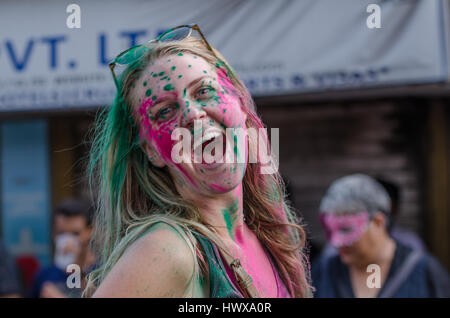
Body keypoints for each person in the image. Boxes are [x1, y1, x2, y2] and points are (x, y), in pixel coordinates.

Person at [85, 24, 312, 298]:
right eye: (165, 111)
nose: (192, 114)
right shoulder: (167, 250)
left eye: (204, 91)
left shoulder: (269, 237)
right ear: (152, 151)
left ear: (238, 102)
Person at [311, 174, 450, 298]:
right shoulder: (324, 272)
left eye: (346, 230)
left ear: (378, 222)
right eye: (330, 230)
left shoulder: (426, 273)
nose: (336, 242)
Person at [29, 198, 96, 298]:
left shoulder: (102, 272)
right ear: (53, 234)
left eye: (75, 233)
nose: (67, 242)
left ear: (89, 232)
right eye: (61, 233)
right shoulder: (43, 276)